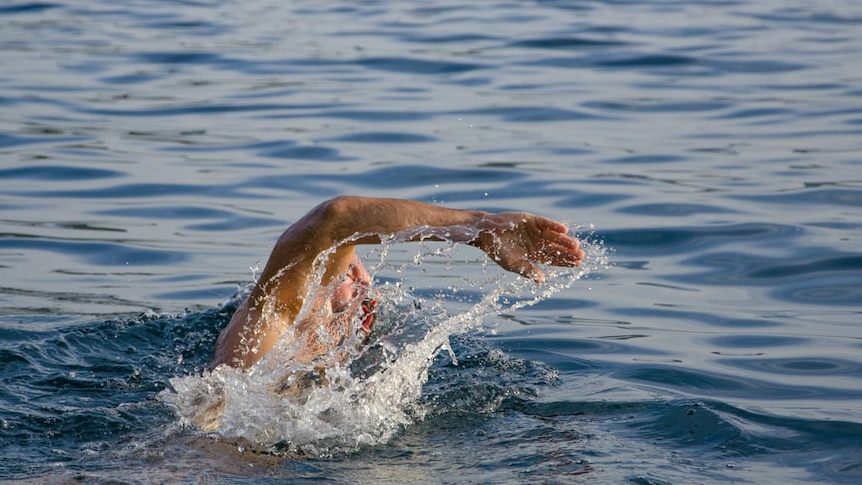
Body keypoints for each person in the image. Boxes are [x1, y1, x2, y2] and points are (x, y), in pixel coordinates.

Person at [209, 195, 585, 371]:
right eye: (344, 265)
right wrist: (478, 227)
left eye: (360, 272)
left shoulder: (329, 373)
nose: (359, 276)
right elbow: (335, 220)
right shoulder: (269, 327)